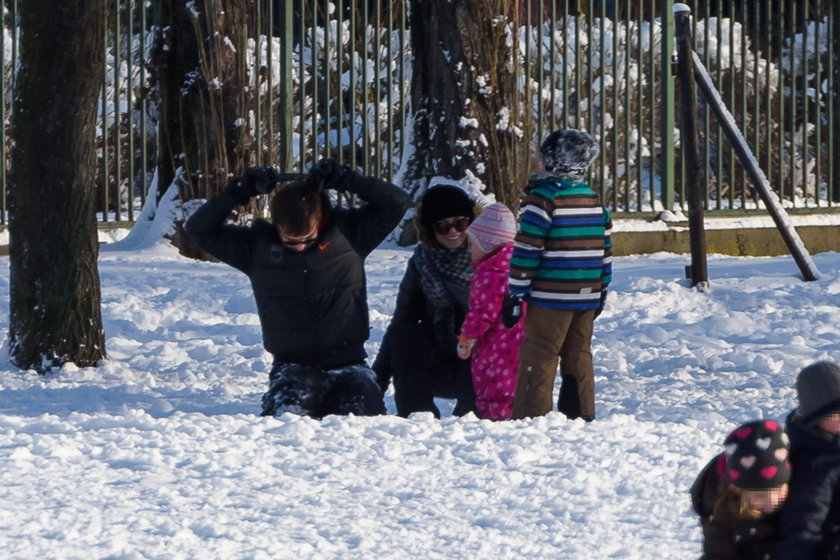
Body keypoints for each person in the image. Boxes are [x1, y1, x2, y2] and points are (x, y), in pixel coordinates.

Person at [185, 159, 411, 419]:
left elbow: (397, 203)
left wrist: (347, 180)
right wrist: (238, 191)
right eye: (292, 241)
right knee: (289, 419)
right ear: (276, 227)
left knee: (360, 417)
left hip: (349, 363)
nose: (301, 246)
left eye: (308, 239)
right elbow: (198, 229)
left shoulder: (350, 234)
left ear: (321, 221)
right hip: (292, 366)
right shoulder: (255, 248)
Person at [504, 128, 612, 421]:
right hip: (587, 294)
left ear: (552, 162)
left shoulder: (542, 200)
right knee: (579, 354)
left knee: (539, 354)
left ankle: (530, 416)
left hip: (550, 296)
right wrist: (602, 287)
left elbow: (528, 250)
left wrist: (516, 290)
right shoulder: (592, 199)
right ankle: (581, 412)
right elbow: (605, 248)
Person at [372, 185, 478, 418]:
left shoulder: (493, 260)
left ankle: (475, 417)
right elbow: (401, 322)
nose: (453, 231)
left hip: (481, 363)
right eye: (443, 225)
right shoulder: (422, 263)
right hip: (436, 357)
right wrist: (375, 383)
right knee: (405, 334)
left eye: (460, 223)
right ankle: (417, 417)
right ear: (430, 229)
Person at [456, 203, 525, 420]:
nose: (470, 250)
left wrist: (467, 336)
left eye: (473, 245)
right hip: (519, 341)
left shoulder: (489, 274)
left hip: (496, 346)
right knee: (511, 388)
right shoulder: (517, 266)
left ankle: (496, 422)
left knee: (493, 387)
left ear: (487, 245)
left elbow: (482, 312)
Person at [690, 419, 791, 560]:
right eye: (760, 497)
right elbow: (717, 554)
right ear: (736, 489)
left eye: (779, 493)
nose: (771, 502)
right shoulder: (720, 508)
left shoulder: (800, 493)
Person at [776, 361, 840, 558]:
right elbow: (803, 523)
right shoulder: (815, 465)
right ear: (816, 420)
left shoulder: (832, 443)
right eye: (835, 417)